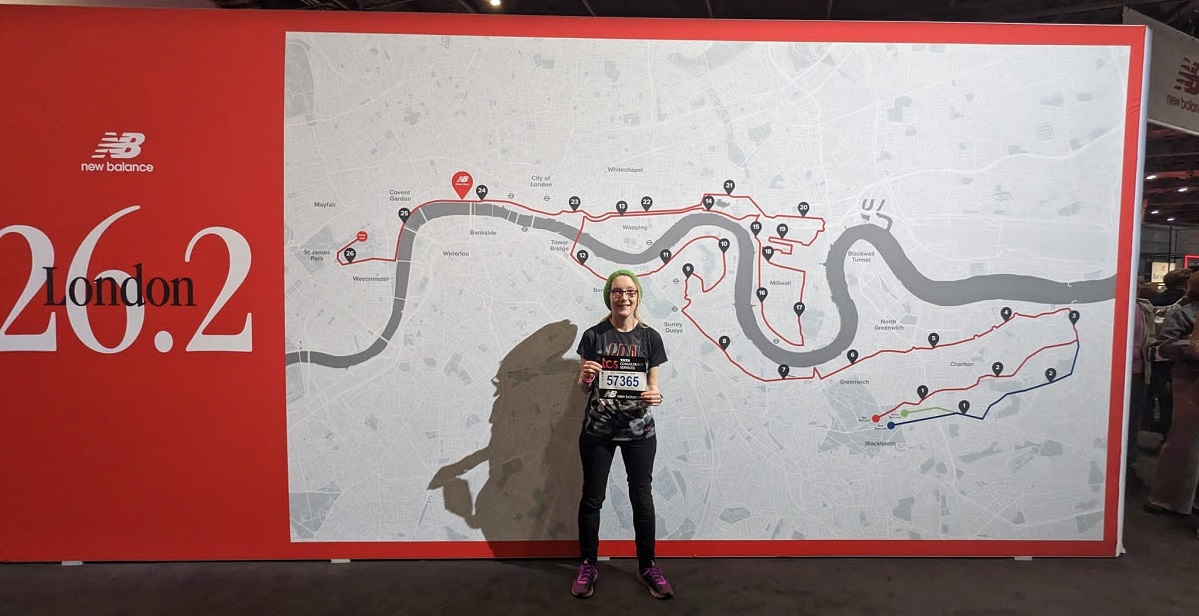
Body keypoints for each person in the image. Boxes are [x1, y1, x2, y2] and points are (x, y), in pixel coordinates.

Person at [571, 269, 673, 600]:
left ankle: (648, 566)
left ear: (638, 296)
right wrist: (586, 377)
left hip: (639, 431)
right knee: (592, 498)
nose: (623, 297)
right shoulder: (593, 336)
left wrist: (655, 395)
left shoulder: (650, 338)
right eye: (617, 291)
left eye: (630, 291)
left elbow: (653, 387)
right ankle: (588, 564)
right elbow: (584, 385)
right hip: (598, 430)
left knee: (641, 498)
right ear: (609, 296)